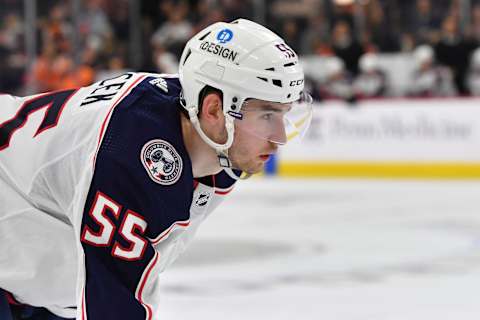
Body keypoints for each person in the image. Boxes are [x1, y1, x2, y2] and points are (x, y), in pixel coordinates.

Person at [0, 19, 312, 320]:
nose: (280, 138)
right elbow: (115, 302)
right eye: (268, 114)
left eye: (283, 114)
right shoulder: (133, 153)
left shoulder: (213, 138)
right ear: (214, 109)